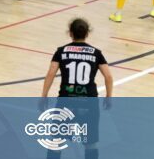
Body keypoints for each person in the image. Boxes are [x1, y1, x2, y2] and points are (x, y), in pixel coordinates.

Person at [41, 18, 113, 159]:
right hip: (89, 103)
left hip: (66, 102)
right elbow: (108, 77)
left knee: (56, 141)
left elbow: (50, 73)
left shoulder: (61, 51)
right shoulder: (96, 53)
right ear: (87, 34)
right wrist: (109, 97)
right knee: (90, 143)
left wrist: (43, 96)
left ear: (70, 33)